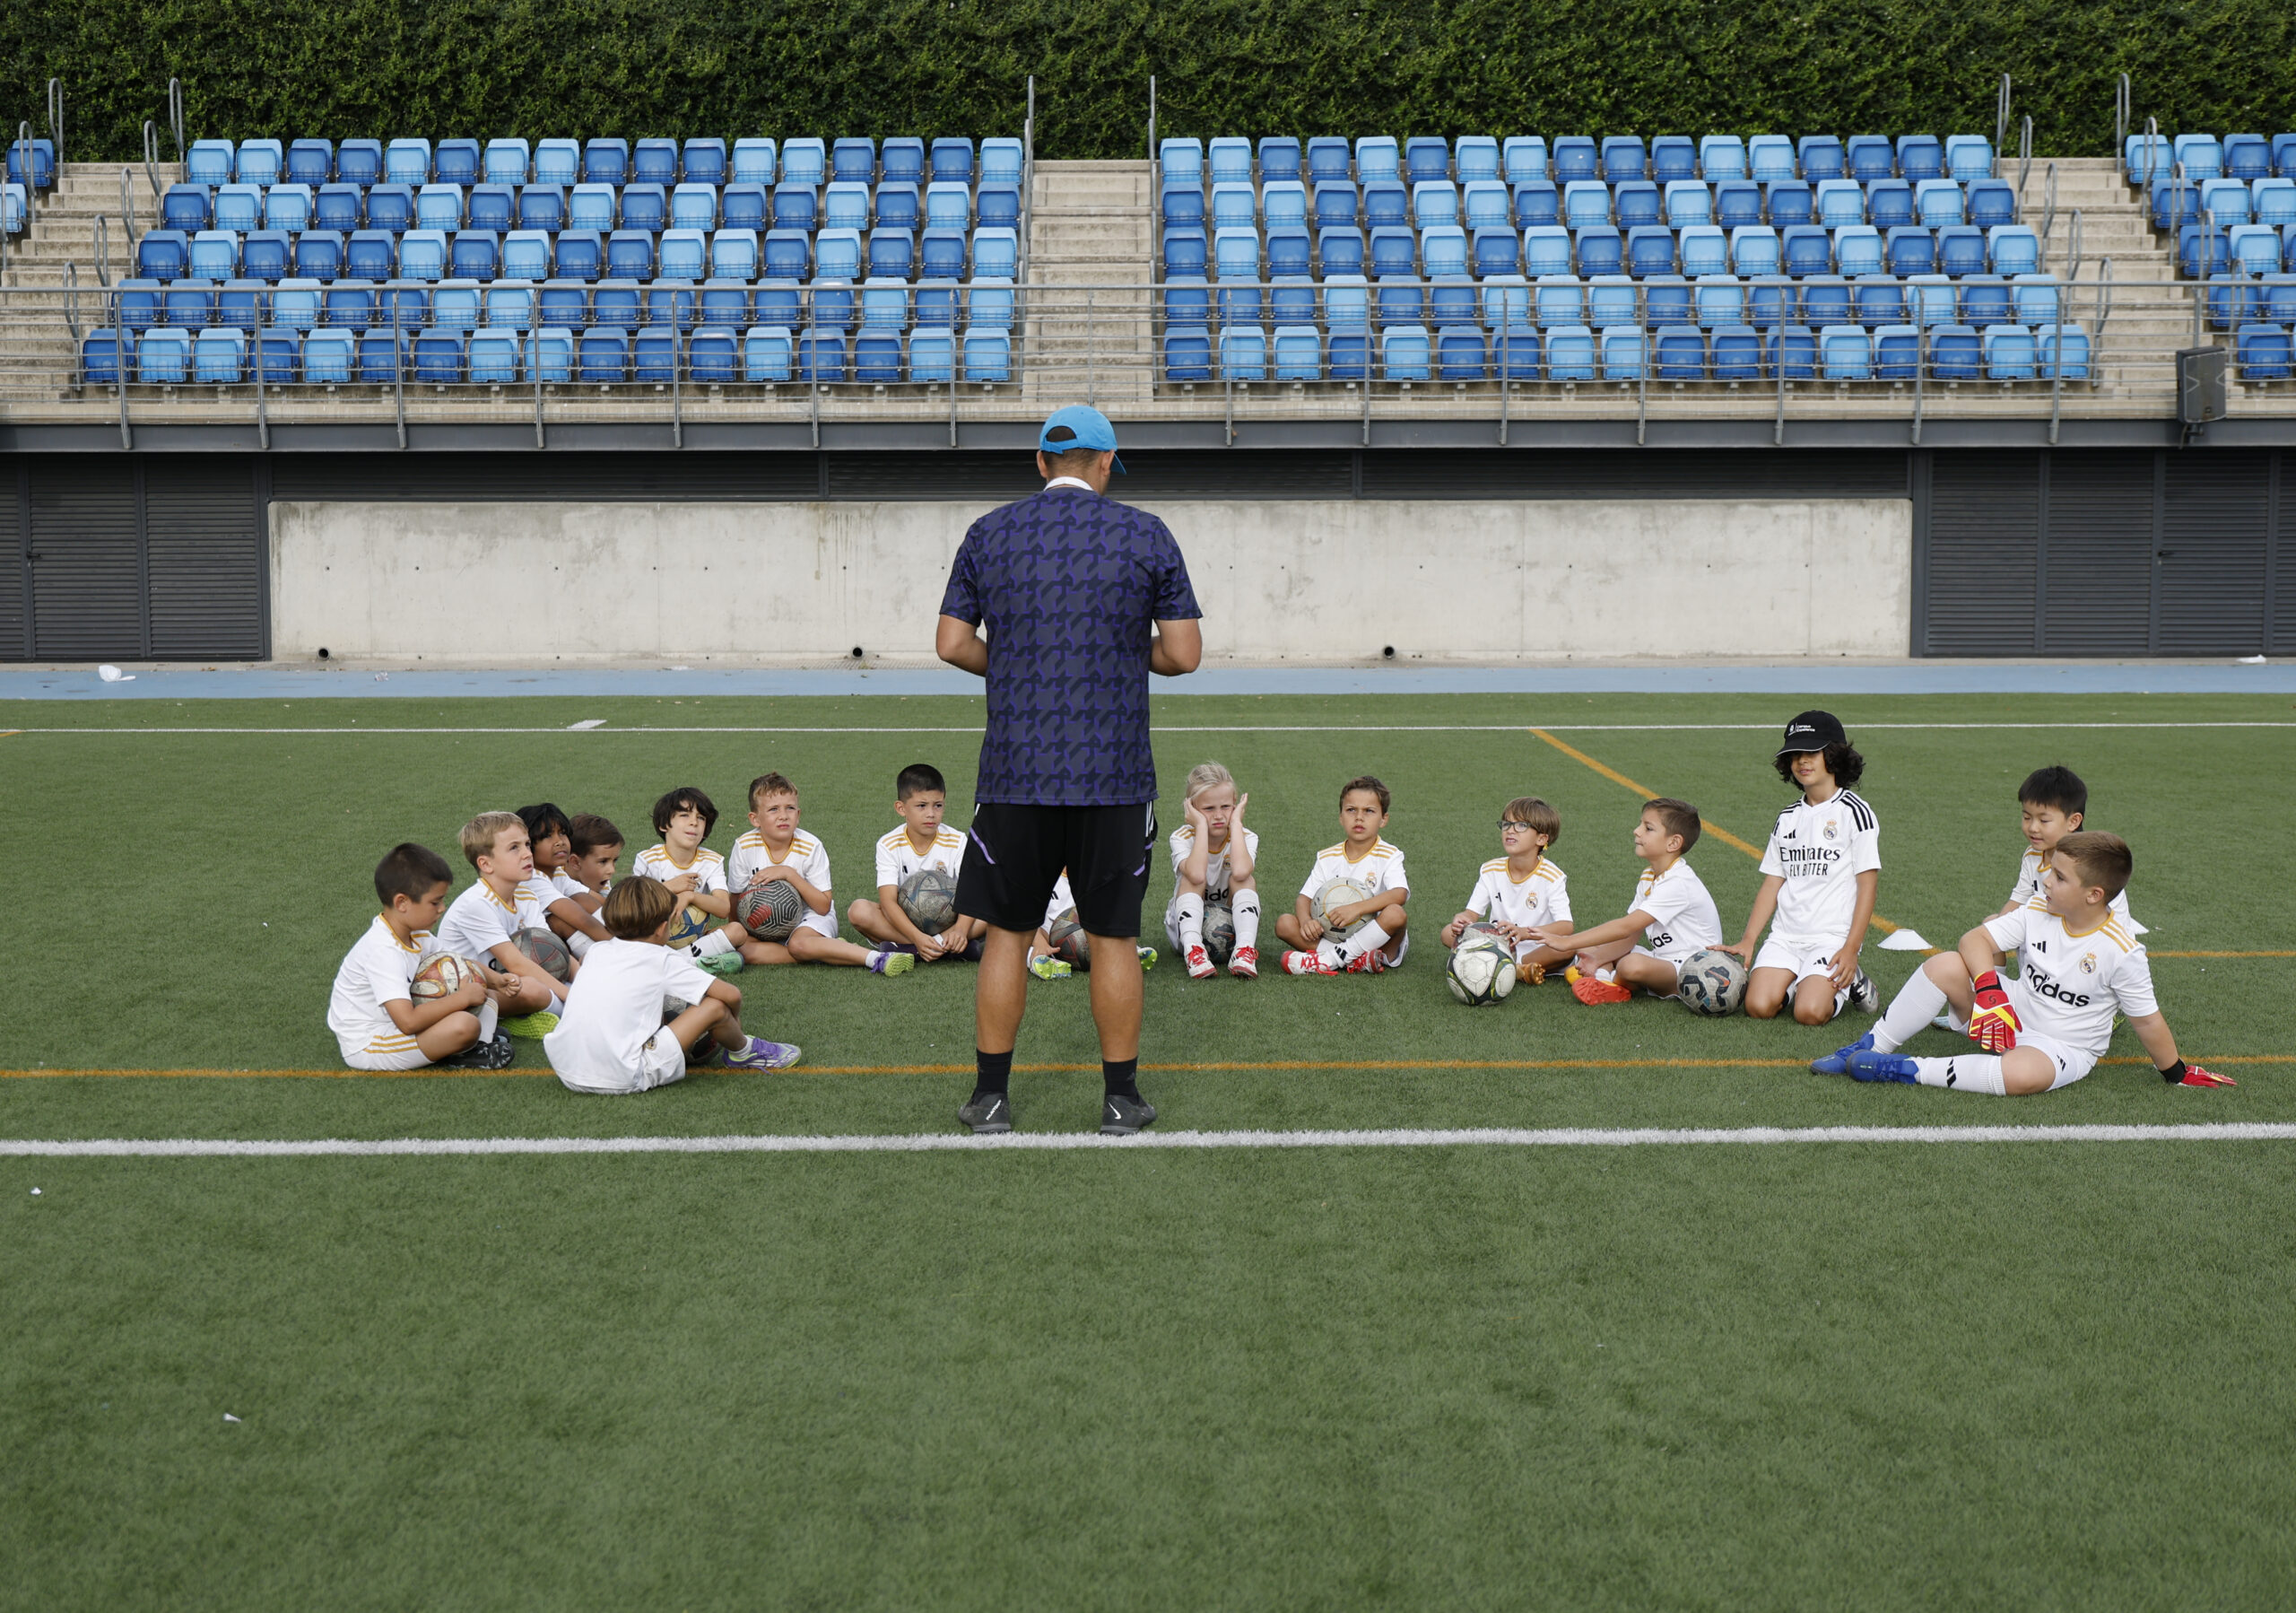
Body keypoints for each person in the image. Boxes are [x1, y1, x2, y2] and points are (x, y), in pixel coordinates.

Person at [935, 404, 1203, 1135]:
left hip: (1017, 772)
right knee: (1113, 935)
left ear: (1041, 461)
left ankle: (990, 1096)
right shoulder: (1145, 533)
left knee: (1009, 933)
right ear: (1107, 463)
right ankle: (1121, 1098)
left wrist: (1018, 665)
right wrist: (1116, 654)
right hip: (1112, 775)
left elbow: (952, 643)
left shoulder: (990, 532)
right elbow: (1181, 654)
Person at [1814, 833, 2230, 1094]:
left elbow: (2148, 1021)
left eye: (2061, 878)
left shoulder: (2122, 951)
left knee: (2023, 1077)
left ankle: (1902, 1069)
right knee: (1945, 965)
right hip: (2007, 1012)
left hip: (2062, 1047)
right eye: (2050, 872)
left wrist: (2176, 1072)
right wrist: (1992, 992)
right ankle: (1872, 1045)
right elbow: (1974, 940)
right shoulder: (2038, 909)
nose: (2047, 881)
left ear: (2094, 895)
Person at [544, 875, 800, 1095]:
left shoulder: (595, 952)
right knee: (715, 1008)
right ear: (663, 928)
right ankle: (744, 1051)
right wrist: (734, 1026)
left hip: (566, 1069)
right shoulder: (661, 958)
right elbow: (730, 994)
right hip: (623, 1076)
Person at [1724, 711, 1881, 1025]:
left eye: (1811, 753)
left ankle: (1850, 981)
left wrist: (1851, 949)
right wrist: (1749, 938)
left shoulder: (1856, 813)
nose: (1801, 762)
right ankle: (1801, 979)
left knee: (1809, 1013)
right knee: (1758, 1006)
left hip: (1831, 938)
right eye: (1794, 755)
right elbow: (1772, 883)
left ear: (1834, 756)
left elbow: (1868, 886)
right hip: (1785, 937)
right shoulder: (1786, 817)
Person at [327, 842, 516, 1071]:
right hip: (372, 1041)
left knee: (487, 994)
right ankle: (464, 1050)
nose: (442, 908)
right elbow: (408, 1022)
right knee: (464, 1024)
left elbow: (459, 961)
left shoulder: (417, 935)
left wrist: (494, 979)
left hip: (399, 1025)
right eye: (435, 902)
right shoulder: (383, 950)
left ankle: (476, 1043)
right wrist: (463, 999)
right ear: (402, 902)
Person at [1535, 798, 1722, 1004]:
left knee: (1631, 965)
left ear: (1673, 842)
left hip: (1694, 969)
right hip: (1662, 959)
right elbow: (1631, 935)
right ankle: (1606, 982)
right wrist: (1597, 958)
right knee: (1590, 951)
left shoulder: (1678, 882)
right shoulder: (1650, 875)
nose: (1637, 831)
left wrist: (1566, 942)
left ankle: (1610, 980)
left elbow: (1625, 927)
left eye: (1648, 828)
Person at [727, 771, 914, 975]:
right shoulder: (744, 846)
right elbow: (736, 899)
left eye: (790, 808)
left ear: (798, 815)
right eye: (773, 809)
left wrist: (789, 874)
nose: (783, 815)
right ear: (755, 819)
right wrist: (740, 933)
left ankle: (876, 958)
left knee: (799, 945)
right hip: (765, 922)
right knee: (742, 948)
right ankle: (828, 949)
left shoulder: (810, 846)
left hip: (811, 917)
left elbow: (823, 906)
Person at [436, 810, 568, 1035]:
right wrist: (575, 999)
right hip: (463, 992)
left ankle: (515, 1016)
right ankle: (555, 1014)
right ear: (486, 864)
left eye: (527, 844)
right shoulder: (477, 903)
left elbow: (553, 947)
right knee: (537, 990)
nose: (527, 854)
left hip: (508, 982)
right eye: (514, 848)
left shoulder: (526, 895)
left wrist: (585, 979)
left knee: (584, 976)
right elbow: (515, 963)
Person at [848, 763, 982, 962]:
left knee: (995, 906)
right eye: (921, 806)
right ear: (901, 808)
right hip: (907, 925)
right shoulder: (888, 844)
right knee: (858, 911)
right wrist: (917, 937)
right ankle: (936, 947)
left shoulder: (958, 840)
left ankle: (915, 950)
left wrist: (961, 930)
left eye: (938, 805)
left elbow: (971, 892)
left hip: (951, 923)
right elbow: (888, 902)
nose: (931, 814)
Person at [1279, 775, 1411, 975]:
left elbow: (1399, 894)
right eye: (1351, 810)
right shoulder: (1327, 856)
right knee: (1285, 924)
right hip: (1333, 936)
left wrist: (1356, 909)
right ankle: (1351, 960)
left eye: (1369, 811)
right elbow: (1304, 898)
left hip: (1379, 942)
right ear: (1341, 817)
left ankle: (1328, 960)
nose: (1359, 817)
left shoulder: (1389, 854)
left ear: (1384, 819)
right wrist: (1306, 921)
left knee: (1396, 914)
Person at [1440, 795, 1573, 983]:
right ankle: (1517, 970)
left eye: (1521, 826)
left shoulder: (1552, 876)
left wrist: (1523, 932)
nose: (1510, 831)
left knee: (1567, 949)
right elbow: (1471, 913)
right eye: (1506, 824)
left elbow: (1566, 926)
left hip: (1535, 947)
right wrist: (1462, 921)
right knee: (1447, 933)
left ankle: (1503, 966)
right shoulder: (1490, 869)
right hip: (1497, 943)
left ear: (1542, 838)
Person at [2000, 764, 2138, 927]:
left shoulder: (2090, 862)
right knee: (1992, 925)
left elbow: (2110, 922)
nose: (2033, 828)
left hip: (2090, 937)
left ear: (2073, 821)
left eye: (2044, 820)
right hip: (2054, 929)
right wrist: (1992, 932)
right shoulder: (2032, 855)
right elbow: (2018, 899)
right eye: (2027, 817)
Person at [632, 786, 742, 977]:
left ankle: (676, 962)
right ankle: (692, 963)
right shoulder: (648, 859)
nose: (694, 823)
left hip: (695, 938)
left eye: (701, 818)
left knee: (737, 931)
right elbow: (633, 906)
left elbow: (724, 908)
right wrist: (669, 888)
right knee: (633, 940)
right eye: (685, 815)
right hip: (655, 938)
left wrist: (690, 896)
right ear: (664, 825)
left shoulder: (712, 860)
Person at [1168, 761, 1261, 980]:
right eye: (1208, 809)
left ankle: (1244, 950)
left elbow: (1240, 872)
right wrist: (1200, 826)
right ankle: (1194, 952)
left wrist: (1236, 824)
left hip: (1231, 932)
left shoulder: (1247, 837)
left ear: (1235, 804)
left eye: (1226, 807)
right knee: (1192, 878)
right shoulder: (1181, 837)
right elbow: (1197, 875)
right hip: (1184, 932)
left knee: (1246, 880)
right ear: (1191, 808)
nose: (1219, 815)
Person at [517, 802, 612, 957]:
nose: (559, 841)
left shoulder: (558, 874)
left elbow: (597, 902)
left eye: (562, 833)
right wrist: (621, 947)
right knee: (558, 921)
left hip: (549, 949)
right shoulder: (530, 879)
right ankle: (610, 958)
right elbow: (580, 919)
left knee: (581, 899)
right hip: (527, 954)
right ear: (527, 844)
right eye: (547, 836)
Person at [564, 813, 623, 905]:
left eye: (614, 860)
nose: (612, 870)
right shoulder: (554, 885)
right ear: (575, 862)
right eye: (603, 861)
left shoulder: (598, 881)